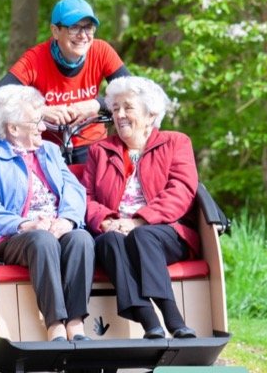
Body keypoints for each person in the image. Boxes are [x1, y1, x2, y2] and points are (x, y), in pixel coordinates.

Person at [0, 84, 95, 342]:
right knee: (42, 239)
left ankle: (75, 322)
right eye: (36, 121)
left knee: (81, 238)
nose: (43, 128)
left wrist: (67, 220)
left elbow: (74, 189)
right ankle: (54, 324)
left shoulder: (49, 151)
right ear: (13, 128)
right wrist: (28, 224)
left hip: (55, 226)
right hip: (16, 237)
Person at [82, 76, 199, 339]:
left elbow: (181, 191)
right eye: (115, 109)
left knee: (141, 236)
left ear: (151, 114)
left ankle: (172, 316)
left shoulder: (176, 142)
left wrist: (138, 221)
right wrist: (105, 221)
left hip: (163, 231)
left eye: (128, 108)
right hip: (114, 231)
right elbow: (86, 196)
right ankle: (149, 321)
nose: (120, 115)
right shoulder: (100, 151)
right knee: (109, 240)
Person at [0, 0, 130, 163]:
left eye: (88, 27)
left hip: (92, 143)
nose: (83, 35)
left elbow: (134, 94)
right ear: (55, 31)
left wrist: (96, 104)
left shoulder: (101, 51)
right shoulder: (35, 60)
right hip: (45, 149)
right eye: (74, 28)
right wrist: (40, 111)